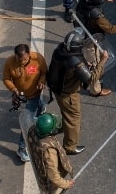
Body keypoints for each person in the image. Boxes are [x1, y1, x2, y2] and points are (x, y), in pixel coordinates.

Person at [47, 28, 94, 156]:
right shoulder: (74, 61)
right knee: (74, 119)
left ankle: (65, 128)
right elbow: (91, 79)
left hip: (58, 90)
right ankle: (70, 146)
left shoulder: (59, 51)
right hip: (68, 95)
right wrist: (102, 61)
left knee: (67, 115)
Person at [74, 0, 116, 95]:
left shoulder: (83, 1)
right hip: (89, 42)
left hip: (80, 34)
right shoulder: (96, 16)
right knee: (96, 65)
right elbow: (110, 29)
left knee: (86, 60)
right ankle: (96, 90)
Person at [2, 43, 48, 162]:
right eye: (19, 59)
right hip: (22, 96)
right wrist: (13, 89)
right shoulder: (9, 63)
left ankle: (24, 145)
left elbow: (44, 72)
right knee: (28, 122)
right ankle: (22, 149)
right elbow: (6, 78)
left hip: (35, 94)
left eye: (25, 59)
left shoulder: (38, 59)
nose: (22, 62)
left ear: (29, 54)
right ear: (15, 56)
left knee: (31, 118)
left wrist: (42, 82)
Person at [27, 113, 74, 193]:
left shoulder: (33, 130)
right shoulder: (49, 151)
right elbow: (53, 176)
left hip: (40, 164)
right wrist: (66, 184)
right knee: (54, 190)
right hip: (50, 182)